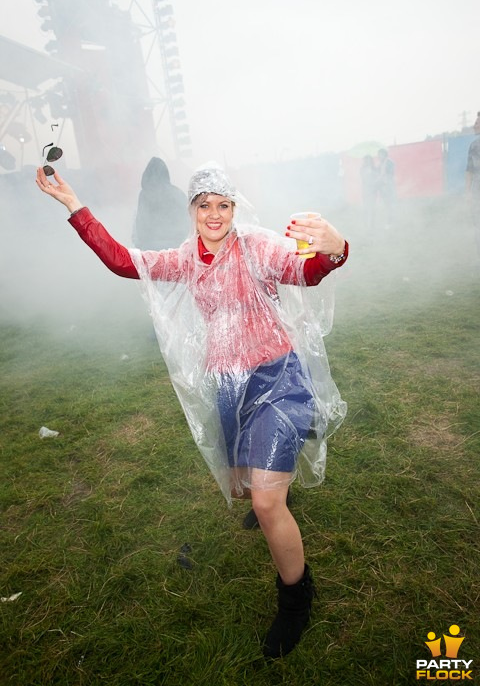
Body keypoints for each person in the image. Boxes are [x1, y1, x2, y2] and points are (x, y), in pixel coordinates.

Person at [35, 162, 349, 659]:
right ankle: (271, 482)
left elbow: (305, 271)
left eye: (224, 205)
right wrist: (75, 206)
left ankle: (295, 598)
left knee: (266, 504)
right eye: (205, 205)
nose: (215, 214)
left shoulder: (258, 247)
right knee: (242, 480)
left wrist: (336, 249)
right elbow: (122, 261)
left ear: (234, 208)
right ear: (192, 210)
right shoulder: (185, 259)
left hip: (277, 378)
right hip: (228, 385)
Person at [132, 157, 188, 250]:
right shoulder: (178, 193)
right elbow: (187, 222)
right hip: (175, 249)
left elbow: (140, 224)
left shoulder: (145, 194)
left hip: (149, 250)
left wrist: (141, 246)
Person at [465, 111, 480, 260]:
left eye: (476, 123)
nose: (473, 125)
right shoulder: (474, 145)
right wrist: (468, 192)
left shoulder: (475, 145)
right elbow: (469, 170)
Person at [376, 147, 396, 227]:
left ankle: (390, 222)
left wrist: (381, 178)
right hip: (383, 187)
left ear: (385, 154)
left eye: (381, 154)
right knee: (385, 205)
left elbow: (390, 174)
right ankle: (388, 221)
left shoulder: (389, 162)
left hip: (388, 186)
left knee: (389, 205)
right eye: (379, 155)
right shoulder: (380, 164)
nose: (380, 156)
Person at [360, 154, 378, 230]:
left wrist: (372, 173)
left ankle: (372, 225)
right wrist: (367, 173)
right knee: (366, 209)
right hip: (366, 191)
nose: (367, 161)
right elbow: (363, 179)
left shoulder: (374, 168)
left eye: (368, 160)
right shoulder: (362, 169)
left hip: (373, 191)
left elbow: (376, 178)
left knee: (372, 208)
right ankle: (365, 225)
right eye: (366, 160)